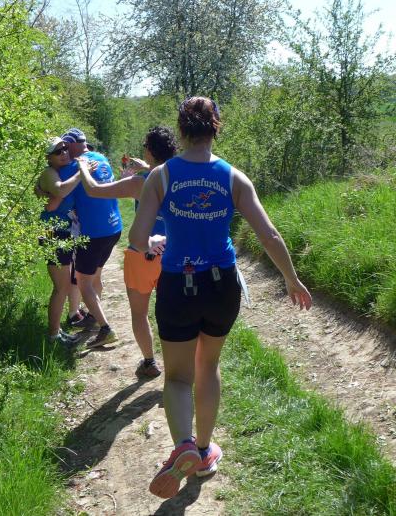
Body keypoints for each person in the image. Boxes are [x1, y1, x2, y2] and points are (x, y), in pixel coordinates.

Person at [129, 97, 312, 499]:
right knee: (208, 366)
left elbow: (137, 238)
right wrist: (291, 279)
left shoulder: (160, 176)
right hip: (221, 285)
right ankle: (203, 450)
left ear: (181, 130)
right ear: (216, 127)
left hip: (178, 284)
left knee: (178, 376)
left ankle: (183, 445)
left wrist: (153, 243)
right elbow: (269, 235)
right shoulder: (233, 177)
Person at [77, 126, 178, 378]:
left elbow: (94, 190)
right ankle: (179, 367)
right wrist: (146, 166)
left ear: (149, 150)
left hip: (143, 253)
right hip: (174, 253)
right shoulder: (180, 177)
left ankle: (149, 362)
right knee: (174, 313)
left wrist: (82, 167)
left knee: (140, 313)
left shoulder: (139, 183)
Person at [63, 128, 123, 349]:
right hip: (113, 227)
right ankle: (92, 316)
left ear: (73, 145)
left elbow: (60, 193)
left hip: (93, 232)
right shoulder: (101, 158)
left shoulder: (74, 166)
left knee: (82, 281)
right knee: (95, 275)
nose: (64, 151)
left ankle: (105, 328)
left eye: (66, 147)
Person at [37, 136, 89, 344]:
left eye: (65, 148)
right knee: (61, 287)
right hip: (52, 233)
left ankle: (56, 331)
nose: (64, 153)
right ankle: (53, 335)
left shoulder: (61, 170)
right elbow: (60, 190)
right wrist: (81, 173)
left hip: (62, 232)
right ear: (48, 157)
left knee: (64, 285)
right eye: (58, 151)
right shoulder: (49, 173)